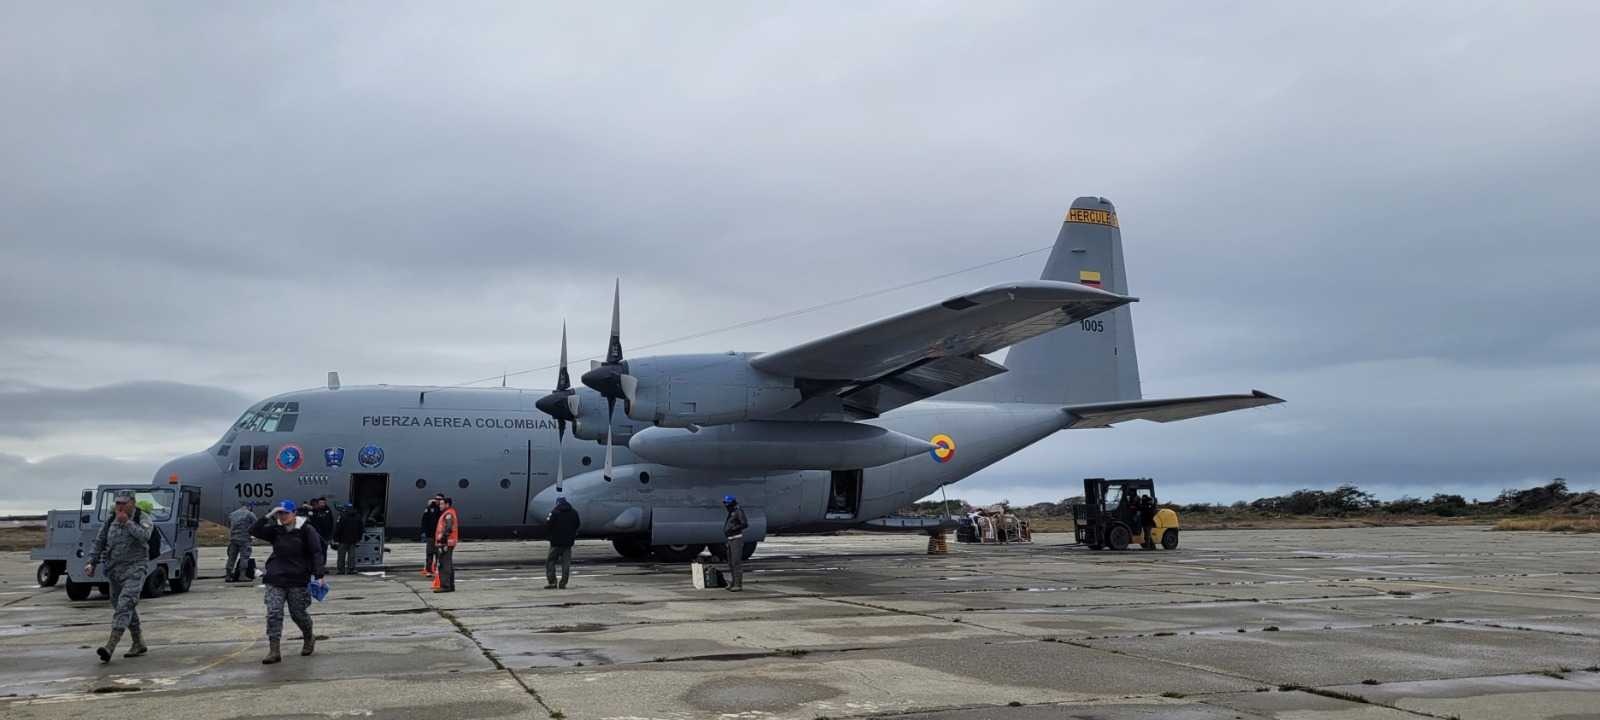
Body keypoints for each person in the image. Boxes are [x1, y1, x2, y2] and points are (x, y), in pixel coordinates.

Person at [251, 499, 326, 664]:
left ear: (294, 514)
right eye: (280, 513)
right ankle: (274, 650)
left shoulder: (306, 530)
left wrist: (319, 574)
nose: (282, 516)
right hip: (276, 577)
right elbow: (254, 530)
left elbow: (316, 552)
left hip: (298, 578)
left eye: (285, 513)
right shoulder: (276, 530)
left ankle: (308, 636)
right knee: (274, 613)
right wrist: (268, 515)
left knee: (298, 613)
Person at [85, 491, 153, 662]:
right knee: (121, 605)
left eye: (124, 503)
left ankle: (110, 646)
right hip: (114, 571)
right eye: (118, 503)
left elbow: (145, 537)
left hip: (135, 569)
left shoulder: (142, 518)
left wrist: (128, 523)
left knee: (125, 604)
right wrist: (91, 562)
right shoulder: (110, 520)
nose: (120, 506)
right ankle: (138, 642)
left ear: (133, 503)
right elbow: (99, 541)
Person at [544, 498, 580, 590]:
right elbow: (577, 524)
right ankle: (563, 583)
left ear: (557, 503)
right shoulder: (574, 512)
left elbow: (548, 524)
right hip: (568, 543)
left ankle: (552, 582)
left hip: (556, 543)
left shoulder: (554, 512)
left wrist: (550, 536)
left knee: (550, 561)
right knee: (566, 563)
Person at [432, 497, 459, 593]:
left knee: (444, 564)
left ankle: (445, 586)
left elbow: (448, 528)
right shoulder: (449, 513)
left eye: (442, 504)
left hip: (446, 543)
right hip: (448, 542)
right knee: (448, 564)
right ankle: (450, 585)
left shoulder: (448, 514)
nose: (440, 506)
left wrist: (443, 539)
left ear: (447, 504)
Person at [721, 495, 748, 592]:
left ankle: (738, 584)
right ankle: (733, 582)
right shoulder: (732, 512)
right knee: (731, 562)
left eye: (727, 503)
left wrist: (734, 529)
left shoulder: (738, 511)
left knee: (736, 562)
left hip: (736, 539)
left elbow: (744, 523)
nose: (725, 505)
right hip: (730, 539)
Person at [225, 503, 256, 582]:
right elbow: (256, 525)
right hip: (244, 539)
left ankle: (228, 576)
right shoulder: (250, 514)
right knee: (244, 557)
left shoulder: (232, 514)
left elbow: (228, 524)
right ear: (250, 507)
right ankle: (242, 575)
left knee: (231, 558)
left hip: (233, 539)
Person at [333, 502, 364, 574]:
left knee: (341, 556)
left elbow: (338, 528)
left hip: (343, 539)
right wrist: (359, 538)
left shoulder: (342, 516)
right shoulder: (358, 516)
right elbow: (361, 528)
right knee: (352, 556)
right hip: (353, 539)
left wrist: (335, 538)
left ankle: (341, 570)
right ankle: (351, 569)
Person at [419, 495, 443, 577]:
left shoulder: (443, 509)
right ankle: (429, 570)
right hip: (431, 535)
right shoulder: (429, 508)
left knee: (438, 554)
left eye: (439, 499)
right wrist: (423, 532)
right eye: (436, 499)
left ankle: (437, 569)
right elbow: (424, 520)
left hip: (440, 535)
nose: (437, 500)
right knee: (429, 553)